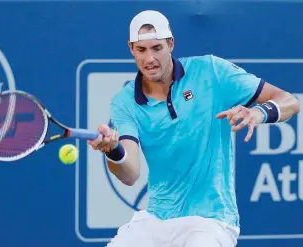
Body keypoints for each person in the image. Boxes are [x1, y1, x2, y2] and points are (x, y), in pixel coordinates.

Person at [88, 10, 300, 247]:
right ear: (131, 48)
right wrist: (112, 150)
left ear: (170, 44)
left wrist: (257, 113)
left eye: (156, 48)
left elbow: (290, 101)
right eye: (141, 50)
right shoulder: (124, 102)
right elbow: (130, 174)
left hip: (210, 221)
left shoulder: (211, 71)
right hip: (156, 220)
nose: (149, 59)